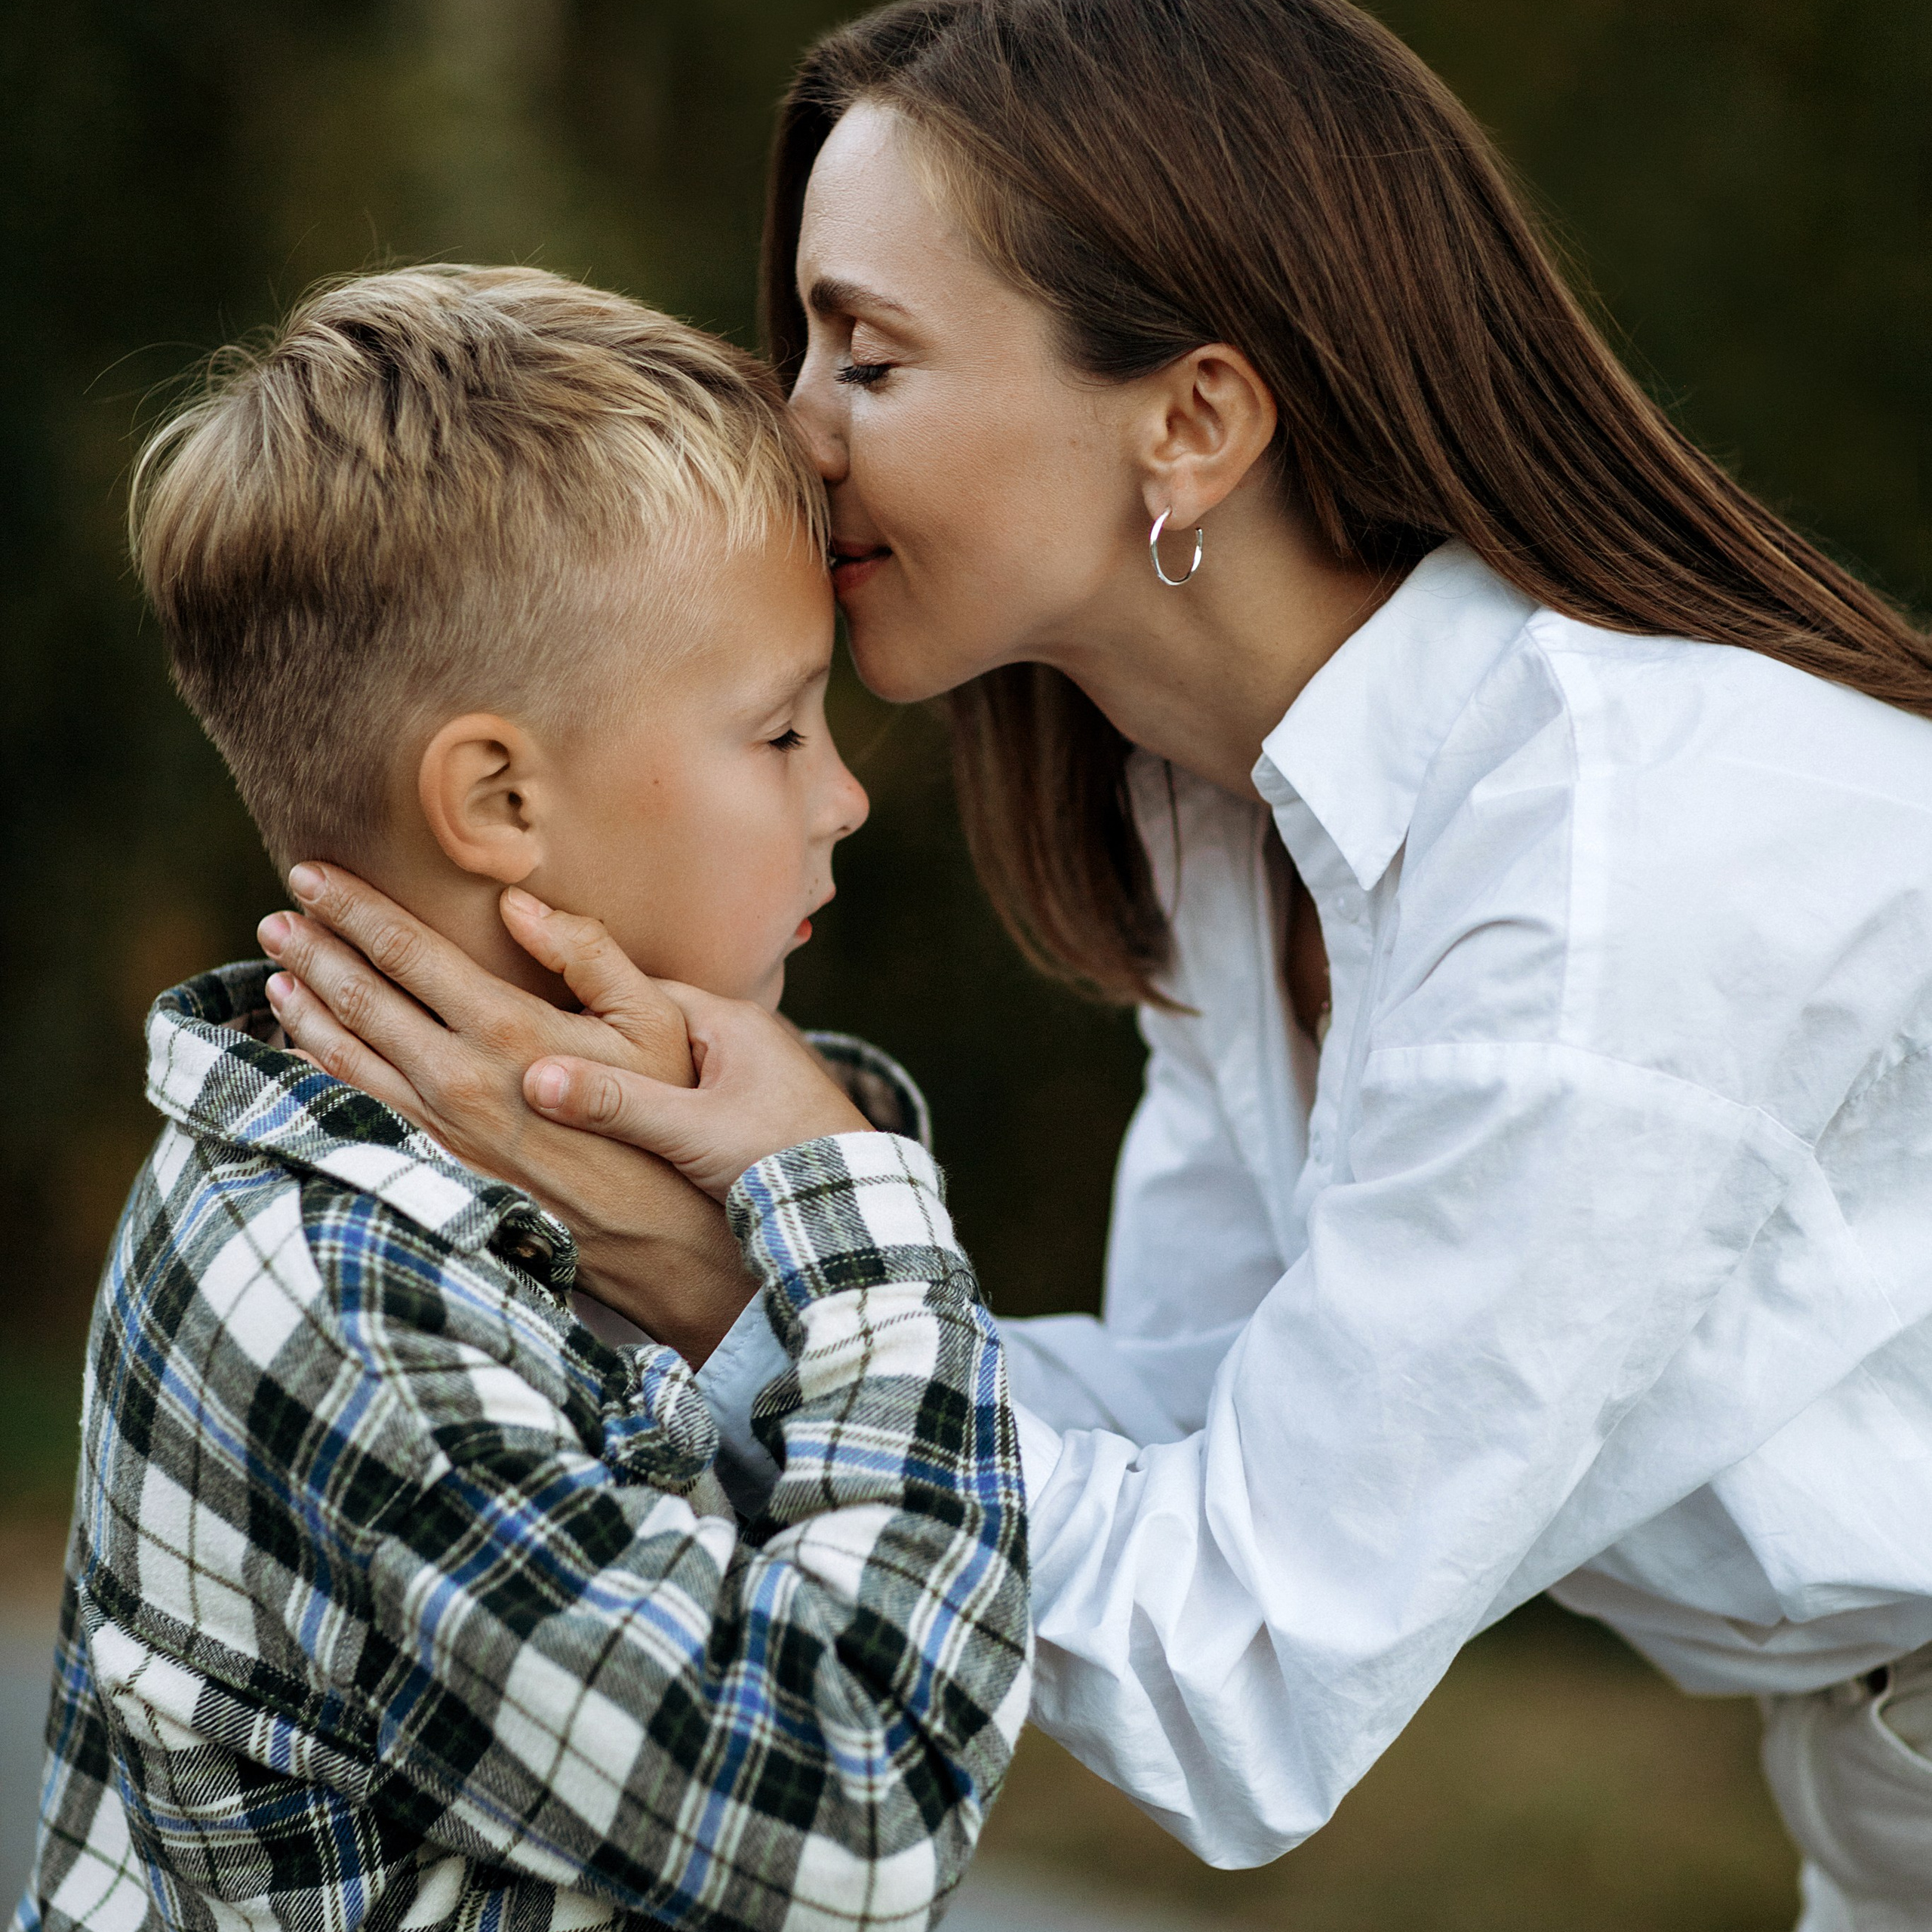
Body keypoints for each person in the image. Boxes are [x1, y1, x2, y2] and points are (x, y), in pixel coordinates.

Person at [251, 2, 1932, 1924]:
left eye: (864, 355)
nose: (788, 433)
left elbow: (1238, 1674)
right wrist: (677, 1277)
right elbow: (1194, 1424)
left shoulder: (1607, 876)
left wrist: (768, 1259)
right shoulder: (1226, 812)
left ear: (1191, 420)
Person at [19, 264, 1029, 1932]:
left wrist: (785, 1175)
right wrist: (855, 1221)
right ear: (498, 797)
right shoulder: (347, 1308)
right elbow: (852, 1808)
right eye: (777, 730)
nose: (844, 794)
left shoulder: (528, 1178)